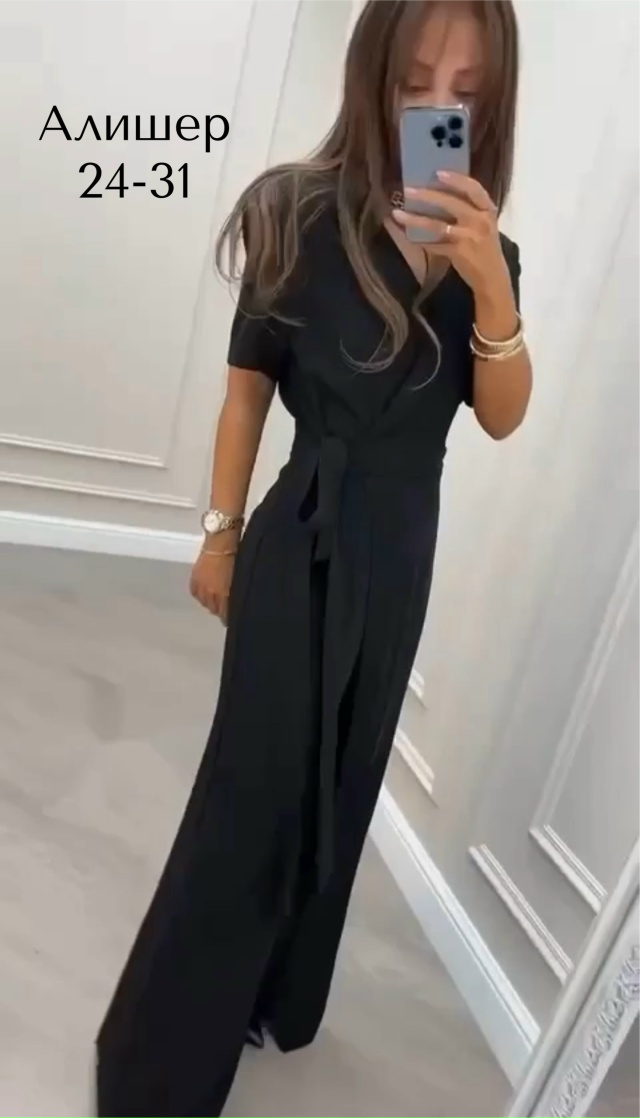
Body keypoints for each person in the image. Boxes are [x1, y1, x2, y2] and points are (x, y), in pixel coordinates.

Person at [95, 1, 532, 1114]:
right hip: (301, 533)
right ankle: (155, 1065)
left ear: (494, 105)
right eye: (416, 79)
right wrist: (218, 532)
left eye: (467, 90)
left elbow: (500, 415)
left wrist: (490, 286)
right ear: (370, 73)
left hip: (403, 549)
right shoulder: (292, 211)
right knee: (251, 787)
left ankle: (275, 994)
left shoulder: (493, 255)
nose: (437, 106)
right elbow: (247, 390)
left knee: (342, 777)